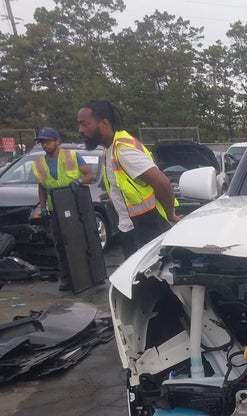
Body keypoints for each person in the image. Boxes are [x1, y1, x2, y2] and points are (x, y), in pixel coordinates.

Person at [77, 99, 180, 257]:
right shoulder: (109, 150)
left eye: (85, 124)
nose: (80, 130)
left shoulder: (123, 150)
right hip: (132, 227)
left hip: (146, 228)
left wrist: (170, 214)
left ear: (104, 123)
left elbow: (162, 183)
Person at [31, 127, 96, 291]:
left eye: (47, 141)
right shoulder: (39, 164)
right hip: (56, 210)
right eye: (42, 142)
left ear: (57, 141)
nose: (44, 145)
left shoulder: (72, 156)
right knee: (61, 244)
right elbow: (42, 187)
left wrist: (79, 181)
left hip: (75, 207)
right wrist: (43, 206)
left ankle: (89, 276)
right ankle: (67, 279)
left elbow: (90, 175)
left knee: (81, 241)